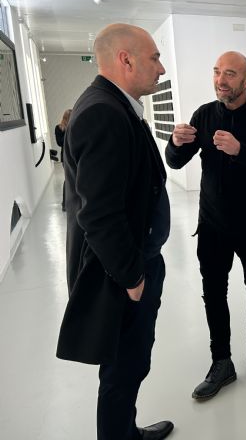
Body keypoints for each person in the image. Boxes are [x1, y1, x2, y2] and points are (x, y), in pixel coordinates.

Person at [56, 23, 174, 440]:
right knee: (123, 370)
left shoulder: (112, 105)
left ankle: (126, 432)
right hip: (122, 274)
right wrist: (133, 277)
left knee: (129, 366)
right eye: (155, 58)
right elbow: (100, 214)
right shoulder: (103, 112)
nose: (161, 68)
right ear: (126, 59)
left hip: (132, 264)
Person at [165, 51, 246, 400]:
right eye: (217, 72)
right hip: (212, 224)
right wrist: (174, 144)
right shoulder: (204, 115)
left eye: (230, 74)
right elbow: (175, 162)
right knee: (214, 293)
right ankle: (221, 362)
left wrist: (240, 151)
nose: (220, 80)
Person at [54, 108, 71, 211]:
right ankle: (65, 204)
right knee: (68, 179)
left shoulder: (75, 126)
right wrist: (68, 132)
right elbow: (59, 142)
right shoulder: (58, 128)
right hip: (65, 156)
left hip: (75, 155)